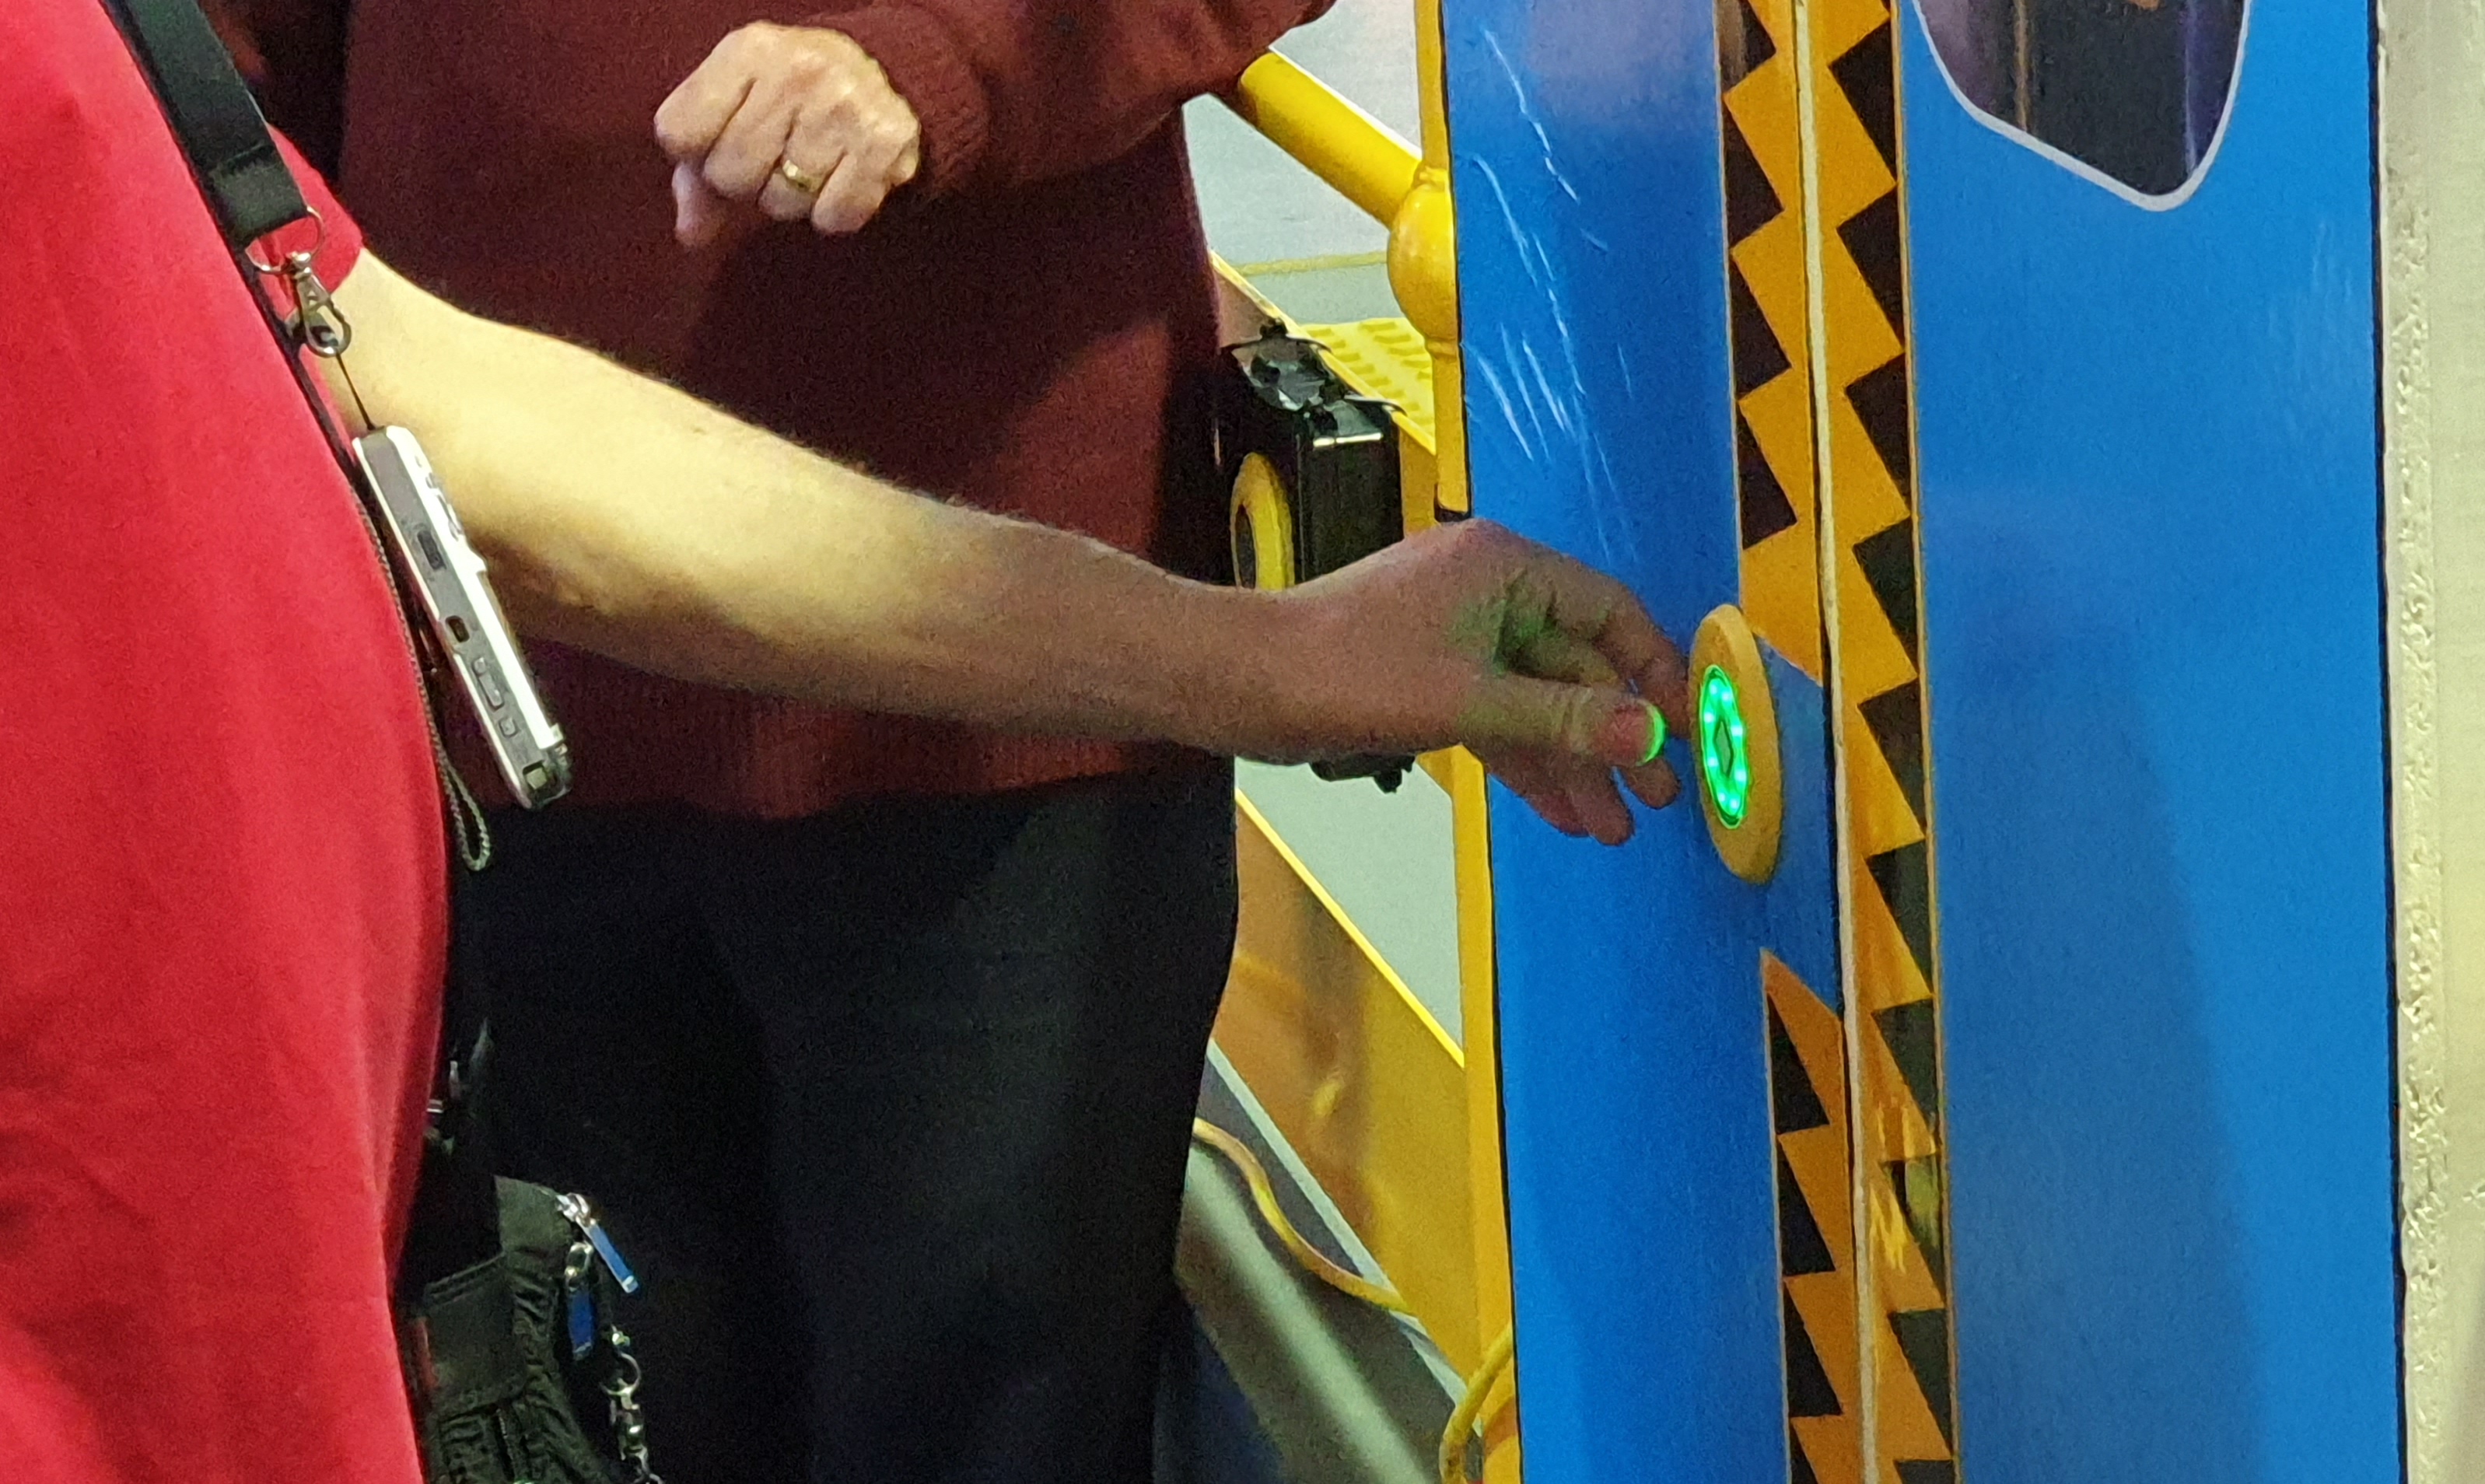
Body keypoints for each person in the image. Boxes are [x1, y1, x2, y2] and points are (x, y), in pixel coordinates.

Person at [0, 2, 1683, 1479]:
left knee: (982, 1396)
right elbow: (253, 163)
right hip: (515, 715)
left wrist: (940, 62)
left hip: (992, 749)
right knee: (608, 1390)